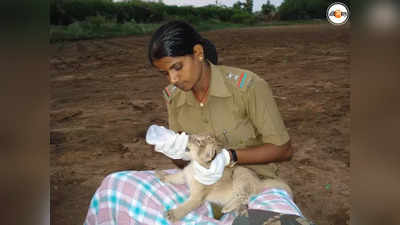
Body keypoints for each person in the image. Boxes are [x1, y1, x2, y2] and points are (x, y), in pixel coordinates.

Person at [84, 21, 314, 225]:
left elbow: (283, 150)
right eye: (165, 73)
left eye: (177, 67)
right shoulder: (173, 96)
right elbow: (184, 163)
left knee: (274, 220)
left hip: (254, 185)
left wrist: (229, 157)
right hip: (202, 186)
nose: (173, 79)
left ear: (198, 53)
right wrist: (174, 149)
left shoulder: (248, 86)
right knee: (116, 186)